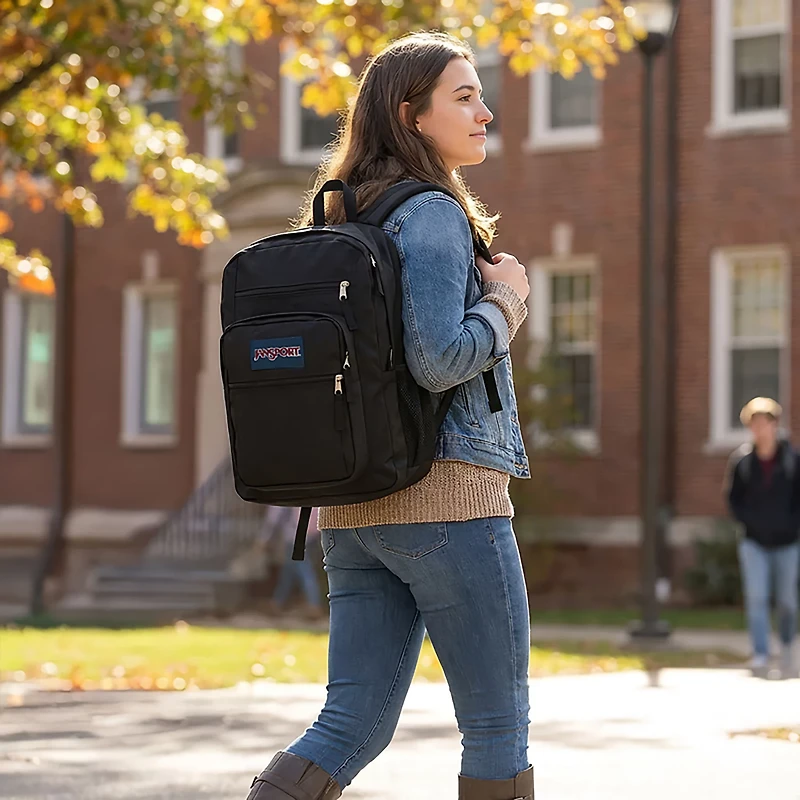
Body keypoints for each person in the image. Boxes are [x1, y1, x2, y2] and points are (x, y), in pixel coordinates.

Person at [246, 31, 533, 800]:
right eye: (464, 97)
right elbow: (438, 361)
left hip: (352, 510)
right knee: (497, 727)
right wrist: (507, 302)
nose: (485, 113)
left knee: (348, 724)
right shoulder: (432, 212)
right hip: (450, 502)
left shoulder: (344, 213)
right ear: (412, 115)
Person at [727, 397, 800, 678]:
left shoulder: (792, 461)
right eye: (754, 424)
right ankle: (760, 653)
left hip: (787, 542)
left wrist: (790, 525)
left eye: (764, 423)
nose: (760, 429)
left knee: (787, 600)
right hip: (754, 541)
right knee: (756, 597)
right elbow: (734, 500)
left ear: (774, 424)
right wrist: (750, 522)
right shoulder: (743, 462)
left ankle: (787, 646)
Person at [263, 506, 324, 620]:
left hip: (295, 535)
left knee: (304, 570)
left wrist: (265, 539)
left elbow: (274, 517)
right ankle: (277, 602)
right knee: (288, 571)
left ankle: (314, 605)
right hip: (312, 534)